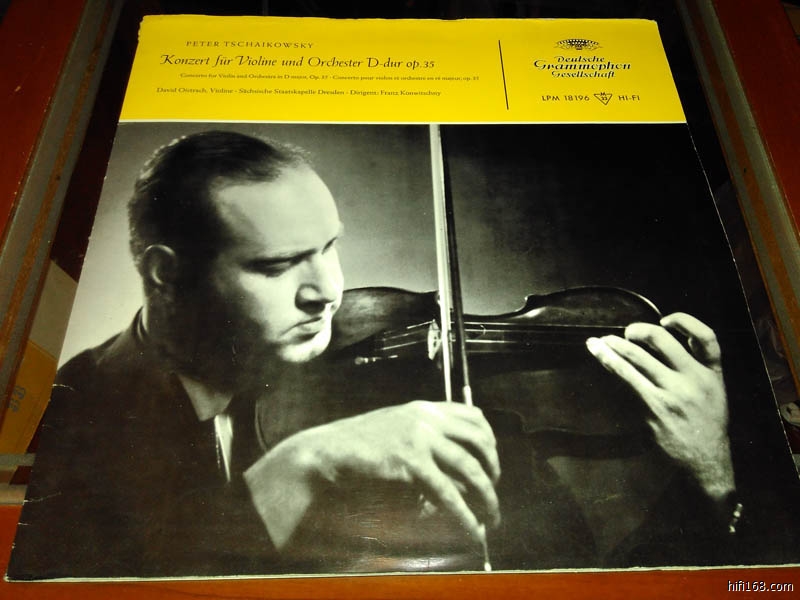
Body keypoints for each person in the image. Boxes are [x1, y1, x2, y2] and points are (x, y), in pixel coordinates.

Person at [9, 130, 744, 579]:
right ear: (167, 274)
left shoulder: (395, 396)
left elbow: (590, 582)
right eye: (277, 266)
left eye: (328, 248)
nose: (327, 293)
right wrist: (305, 463)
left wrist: (711, 477)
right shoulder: (84, 412)